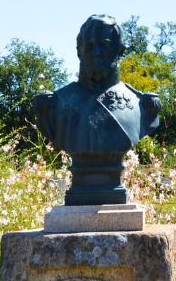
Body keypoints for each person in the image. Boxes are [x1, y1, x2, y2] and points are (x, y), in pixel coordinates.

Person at [34, 14, 160, 205]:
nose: (96, 52)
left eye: (104, 45)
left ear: (120, 50)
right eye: (90, 45)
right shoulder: (55, 105)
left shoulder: (142, 105)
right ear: (79, 50)